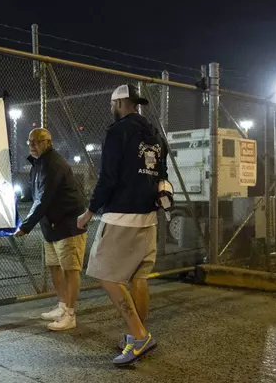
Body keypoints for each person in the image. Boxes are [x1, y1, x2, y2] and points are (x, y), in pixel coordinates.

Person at [77, 84, 169, 366]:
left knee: (106, 274)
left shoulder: (117, 132)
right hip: (148, 217)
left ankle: (140, 337)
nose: (111, 109)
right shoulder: (155, 136)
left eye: (112, 104)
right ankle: (136, 334)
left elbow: (108, 178)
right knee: (138, 278)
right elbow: (161, 174)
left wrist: (89, 212)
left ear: (119, 104)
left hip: (121, 218)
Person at [14, 128, 87, 331]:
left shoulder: (53, 164)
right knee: (55, 266)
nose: (32, 145)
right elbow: (34, 194)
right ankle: (62, 306)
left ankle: (70, 315)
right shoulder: (38, 164)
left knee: (71, 269)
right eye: (30, 142)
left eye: (36, 141)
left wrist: (25, 227)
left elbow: (43, 199)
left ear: (48, 142)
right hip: (51, 225)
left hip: (68, 224)